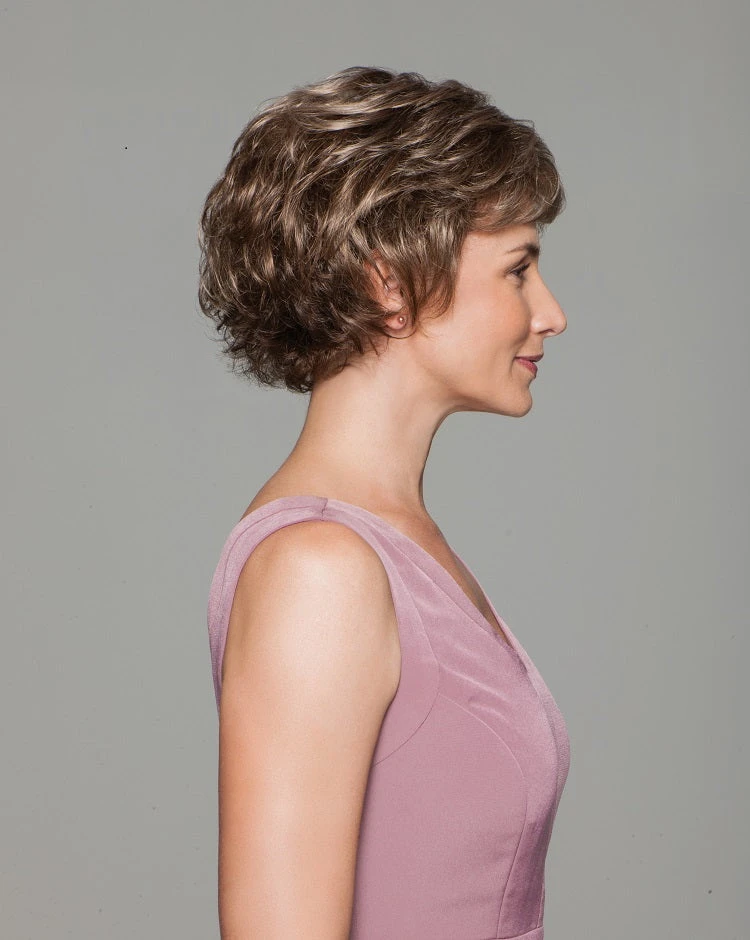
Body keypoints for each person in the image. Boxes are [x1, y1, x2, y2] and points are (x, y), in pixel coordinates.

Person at [198, 65, 570, 939]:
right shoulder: (318, 570)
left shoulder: (394, 547)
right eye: (518, 270)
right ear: (390, 284)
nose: (552, 313)